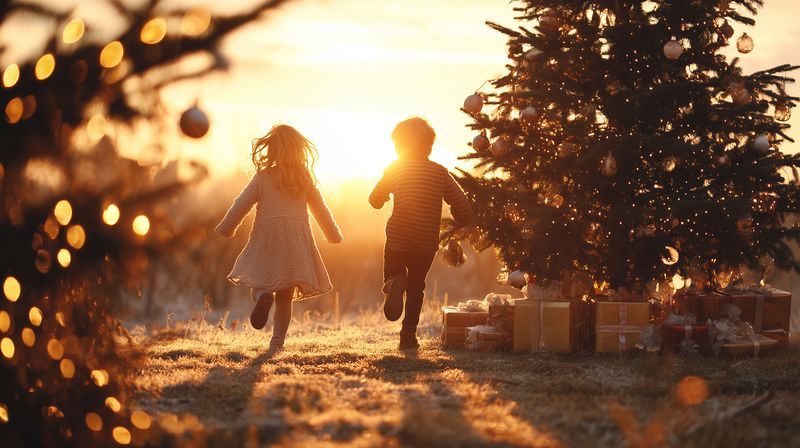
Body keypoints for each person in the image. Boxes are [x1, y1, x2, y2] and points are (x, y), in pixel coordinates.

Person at [215, 124, 342, 355]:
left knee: (259, 281)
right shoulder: (305, 179)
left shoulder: (263, 177)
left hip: (266, 237)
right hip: (295, 243)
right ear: (299, 151)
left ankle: (263, 297)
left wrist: (226, 227)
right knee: (285, 296)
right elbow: (321, 211)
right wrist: (332, 234)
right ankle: (276, 344)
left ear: (271, 150)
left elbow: (241, 204)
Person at [369, 117, 472, 350]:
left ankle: (393, 282)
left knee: (394, 272)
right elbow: (461, 203)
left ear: (399, 146)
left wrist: (384, 197)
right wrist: (463, 219)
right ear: (429, 145)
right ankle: (408, 336)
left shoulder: (395, 169)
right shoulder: (439, 172)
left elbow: (374, 199)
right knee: (417, 287)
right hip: (425, 242)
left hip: (398, 236)